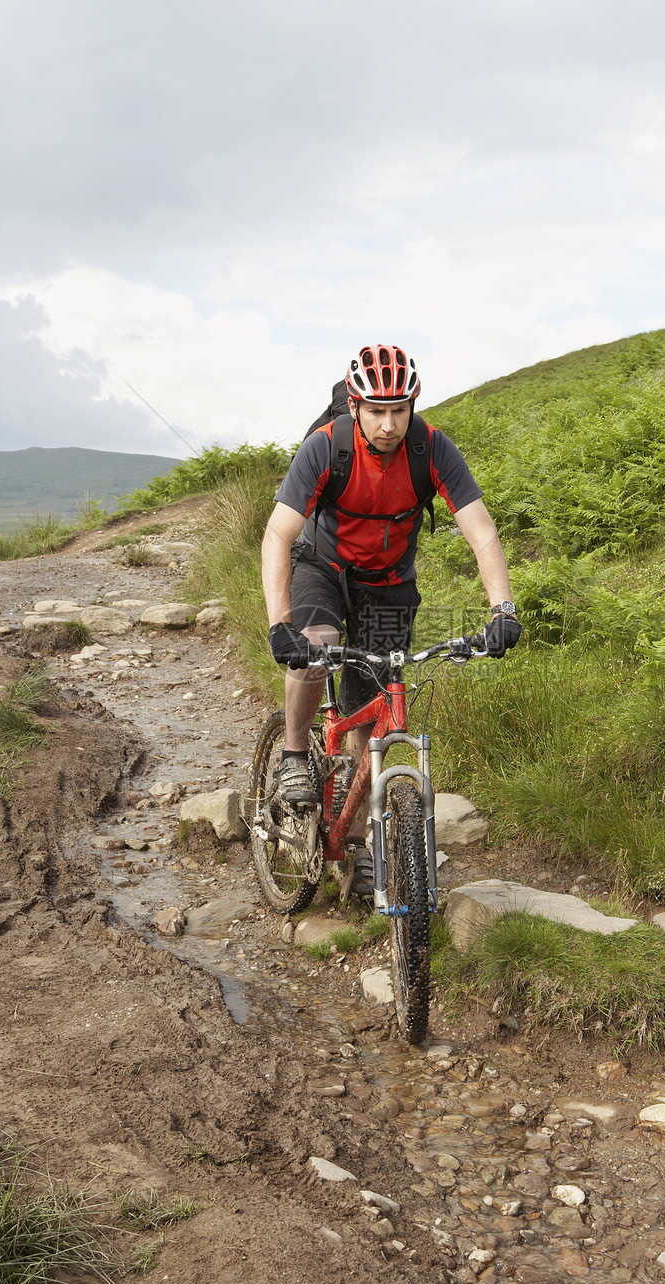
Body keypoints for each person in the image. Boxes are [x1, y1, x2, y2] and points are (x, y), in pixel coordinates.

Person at [261, 342, 521, 892]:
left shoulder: (431, 449)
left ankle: (355, 846)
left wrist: (503, 608)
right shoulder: (324, 447)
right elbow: (278, 534)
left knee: (372, 703)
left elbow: (482, 530)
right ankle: (290, 756)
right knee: (316, 646)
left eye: (398, 411)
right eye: (376, 412)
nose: (387, 424)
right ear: (354, 406)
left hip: (387, 583)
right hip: (322, 567)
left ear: (413, 406)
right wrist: (280, 625)